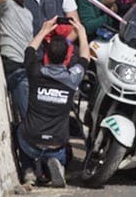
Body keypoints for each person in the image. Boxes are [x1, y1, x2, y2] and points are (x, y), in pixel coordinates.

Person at [17, 16, 90, 188]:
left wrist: (44, 30)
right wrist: (81, 32)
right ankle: (56, 165)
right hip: (56, 144)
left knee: (19, 129)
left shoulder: (36, 73)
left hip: (31, 142)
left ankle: (28, 170)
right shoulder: (72, 78)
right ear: (67, 58)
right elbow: (85, 57)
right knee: (67, 151)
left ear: (47, 57)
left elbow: (29, 50)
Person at [0, 0, 36, 119]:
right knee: (28, 115)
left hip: (25, 66)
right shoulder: (8, 6)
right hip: (13, 64)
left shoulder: (28, 13)